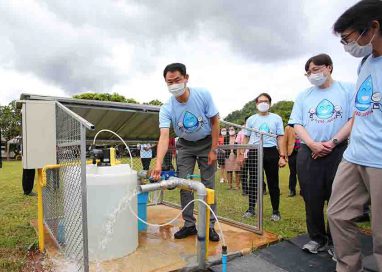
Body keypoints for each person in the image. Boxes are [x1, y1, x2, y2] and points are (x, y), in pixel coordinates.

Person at [328, 1, 382, 271]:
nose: (347, 46)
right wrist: (338, 141)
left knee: (381, 236)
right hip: (354, 156)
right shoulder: (365, 62)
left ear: (373, 27)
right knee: (337, 215)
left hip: (380, 161)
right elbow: (360, 114)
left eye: (348, 38)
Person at [288, 53, 354, 255]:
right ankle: (317, 239)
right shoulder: (304, 95)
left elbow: (354, 118)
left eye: (315, 70)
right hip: (309, 152)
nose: (312, 75)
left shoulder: (347, 89)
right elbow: (296, 123)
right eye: (308, 72)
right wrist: (312, 143)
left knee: (339, 198)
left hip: (339, 150)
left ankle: (335, 242)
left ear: (329, 67)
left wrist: (332, 142)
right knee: (312, 197)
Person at [151, 63, 220, 241]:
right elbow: (164, 136)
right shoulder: (166, 108)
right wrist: (158, 163)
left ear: (186, 78)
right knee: (184, 184)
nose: (174, 85)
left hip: (206, 144)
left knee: (208, 185)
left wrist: (213, 149)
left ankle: (210, 226)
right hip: (185, 145)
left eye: (177, 80)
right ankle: (189, 224)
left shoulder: (202, 95)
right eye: (169, 82)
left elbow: (215, 121)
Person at [243, 93, 286, 221]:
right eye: (260, 101)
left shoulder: (276, 118)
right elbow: (246, 136)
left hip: (271, 151)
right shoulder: (251, 119)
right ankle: (251, 209)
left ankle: (275, 211)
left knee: (273, 182)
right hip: (254, 151)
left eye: (266, 101)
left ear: (270, 103)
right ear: (256, 104)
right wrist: (242, 153)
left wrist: (282, 155)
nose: (263, 103)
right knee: (254, 181)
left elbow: (280, 137)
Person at [283, 125, 301, 197]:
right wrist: (285, 155)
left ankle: (303, 190)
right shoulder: (288, 128)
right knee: (292, 172)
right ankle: (292, 190)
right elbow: (285, 142)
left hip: (303, 151)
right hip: (292, 153)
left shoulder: (304, 125)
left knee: (303, 172)